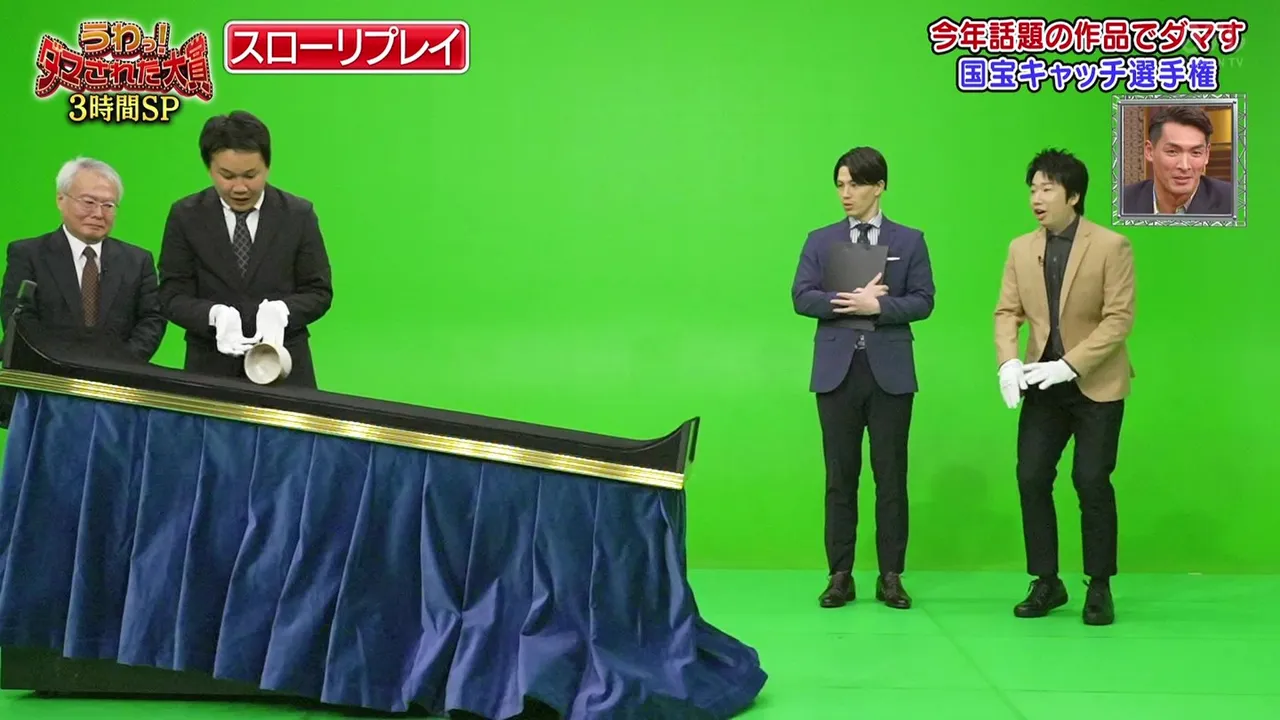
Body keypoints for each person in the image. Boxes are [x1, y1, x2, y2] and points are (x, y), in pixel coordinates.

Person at [994, 149, 1136, 626]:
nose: (1036, 198)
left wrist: (1070, 365)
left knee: (1091, 480)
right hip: (1042, 384)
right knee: (1032, 477)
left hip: (1097, 383)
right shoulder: (1020, 248)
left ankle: (1099, 585)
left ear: (1073, 196)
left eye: (1047, 189)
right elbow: (1007, 312)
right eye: (1033, 189)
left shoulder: (1111, 246)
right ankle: (1046, 581)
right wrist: (1008, 362)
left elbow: (1119, 319)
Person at [791, 147, 936, 610]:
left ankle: (891, 575)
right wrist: (848, 301)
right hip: (837, 373)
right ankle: (840, 575)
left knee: (891, 476)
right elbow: (801, 296)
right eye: (840, 184)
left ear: (880, 186)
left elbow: (924, 300)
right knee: (840, 476)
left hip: (889, 373)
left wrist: (879, 307)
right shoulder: (820, 240)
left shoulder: (909, 241)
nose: (845, 193)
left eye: (854, 184)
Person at [157, 110, 333, 388]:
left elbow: (319, 291)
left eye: (251, 175)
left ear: (267, 166)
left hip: (284, 367)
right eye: (227, 175)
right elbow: (171, 295)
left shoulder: (298, 215)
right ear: (209, 168)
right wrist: (213, 315)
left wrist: (283, 311)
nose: (239, 188)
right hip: (211, 369)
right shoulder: (186, 216)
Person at [0, 157, 165, 361]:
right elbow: (18, 317)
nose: (98, 213)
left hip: (116, 373)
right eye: (89, 202)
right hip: (45, 373)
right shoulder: (28, 254)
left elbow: (152, 319)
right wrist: (58, 363)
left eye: (108, 205)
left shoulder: (138, 261)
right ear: (61, 200)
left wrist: (122, 364)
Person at [1120, 105, 1233, 215]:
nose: (1184, 166)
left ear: (1207, 154)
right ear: (1149, 151)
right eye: (1172, 152)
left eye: (1195, 153)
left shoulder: (1234, 202)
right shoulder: (1120, 203)